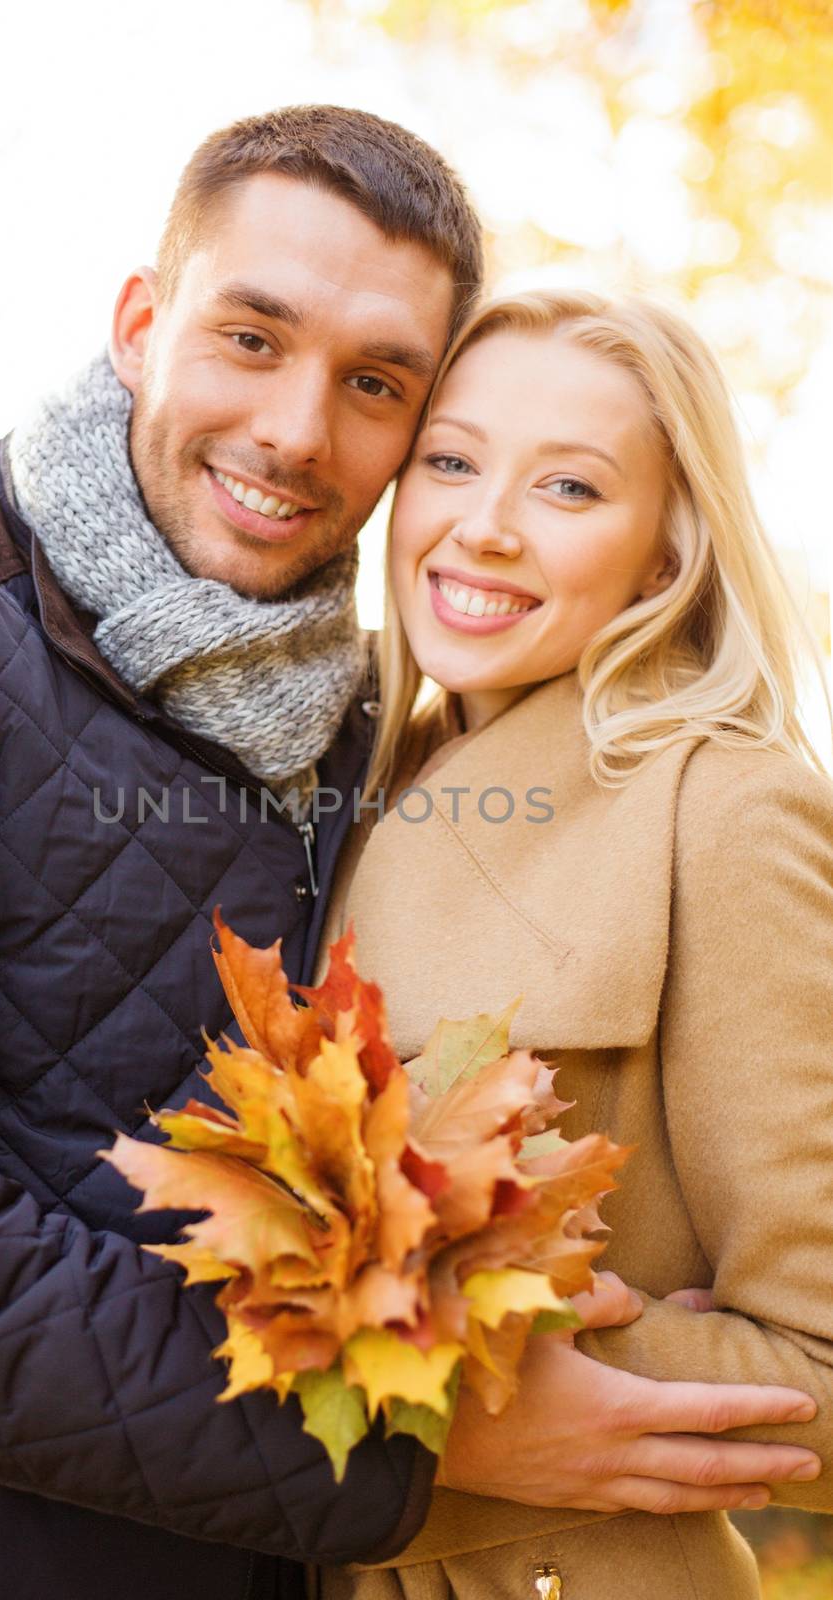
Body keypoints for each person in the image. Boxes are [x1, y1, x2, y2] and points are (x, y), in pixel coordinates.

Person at [0, 107, 819, 1600]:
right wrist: (403, 1427)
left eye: (373, 385)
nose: (293, 432)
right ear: (142, 325)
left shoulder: (367, 737)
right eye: (251, 338)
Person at [315, 289, 833, 1599]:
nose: (481, 526)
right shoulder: (338, 777)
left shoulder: (722, 807)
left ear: (663, 554)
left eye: (567, 487)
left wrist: (462, 1384)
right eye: (450, 460)